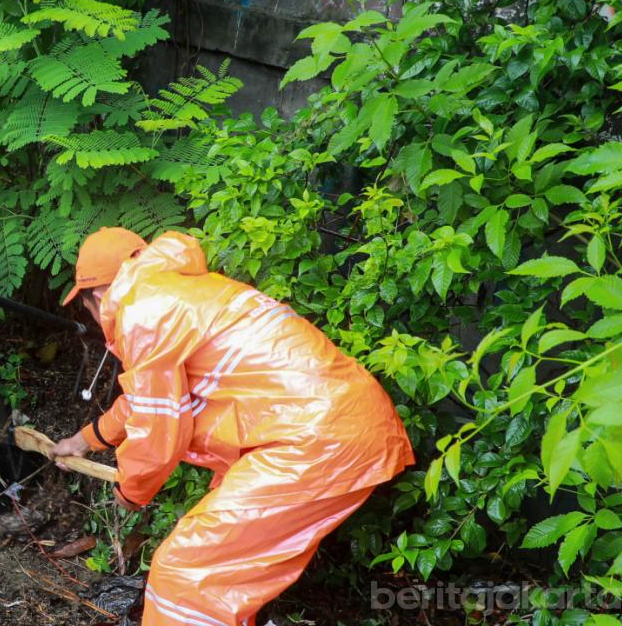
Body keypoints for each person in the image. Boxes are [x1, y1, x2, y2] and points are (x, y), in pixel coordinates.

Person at [50, 228, 415, 626]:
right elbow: (146, 400)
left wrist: (131, 490)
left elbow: (157, 428)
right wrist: (85, 441)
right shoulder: (179, 293)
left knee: (185, 577)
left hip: (311, 442)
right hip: (335, 429)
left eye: (85, 305)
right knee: (214, 579)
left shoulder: (143, 311)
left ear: (98, 295)